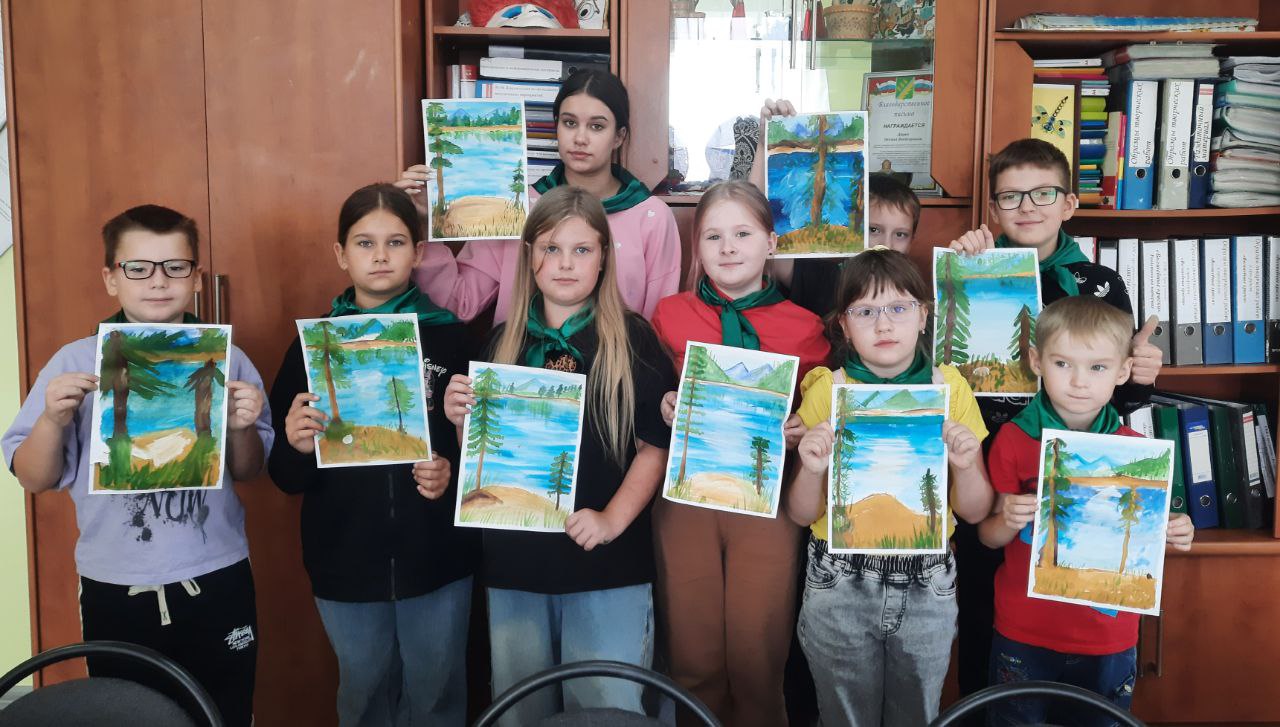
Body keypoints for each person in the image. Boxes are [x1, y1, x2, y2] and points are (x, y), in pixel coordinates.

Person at [2, 205, 272, 726]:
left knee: (225, 713)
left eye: (175, 267)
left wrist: (241, 427)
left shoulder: (229, 359)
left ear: (196, 278)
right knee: (127, 715)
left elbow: (249, 469)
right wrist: (53, 419)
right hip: (115, 584)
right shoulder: (74, 361)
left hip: (216, 575)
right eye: (138, 268)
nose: (158, 281)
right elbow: (33, 477)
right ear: (111, 278)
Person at [442, 186, 674, 726]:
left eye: (581, 250)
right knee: (522, 709)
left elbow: (655, 446)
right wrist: (459, 422)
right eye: (551, 249)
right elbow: (481, 459)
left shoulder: (632, 341)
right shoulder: (501, 343)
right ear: (529, 257)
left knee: (606, 708)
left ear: (604, 259)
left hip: (606, 567)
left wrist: (611, 519)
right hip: (516, 568)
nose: (565, 263)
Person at [946, 138, 1164, 701]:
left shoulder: (1100, 285)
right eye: (1010, 196)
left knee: (1075, 594)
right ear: (993, 207)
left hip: (1078, 464)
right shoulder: (972, 265)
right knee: (983, 602)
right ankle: (986, 706)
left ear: (1068, 203)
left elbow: (1115, 390)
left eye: (1042, 193)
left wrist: (1141, 376)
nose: (1026, 206)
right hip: (986, 461)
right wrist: (961, 269)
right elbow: (937, 365)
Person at [267, 183, 477, 726]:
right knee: (363, 697)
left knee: (437, 697)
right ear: (341, 254)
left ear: (419, 252)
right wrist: (296, 445)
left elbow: (482, 451)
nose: (380, 256)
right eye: (365, 243)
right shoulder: (312, 347)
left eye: (395, 242)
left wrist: (449, 473)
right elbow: (283, 476)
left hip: (438, 560)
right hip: (344, 562)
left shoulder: (453, 340)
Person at [788, 248, 993, 726]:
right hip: (838, 580)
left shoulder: (950, 389)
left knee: (916, 715)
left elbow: (976, 510)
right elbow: (800, 514)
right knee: (843, 716)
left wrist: (965, 466)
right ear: (844, 325)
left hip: (927, 581)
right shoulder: (828, 390)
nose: (883, 324)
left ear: (923, 316)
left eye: (899, 308)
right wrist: (812, 468)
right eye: (865, 312)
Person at [650, 180, 828, 727]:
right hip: (685, 502)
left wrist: (803, 426)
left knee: (758, 659)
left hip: (767, 504)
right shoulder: (668, 315)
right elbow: (642, 394)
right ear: (697, 247)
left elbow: (825, 408)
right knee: (692, 657)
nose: (728, 248)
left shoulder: (806, 327)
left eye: (743, 234)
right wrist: (663, 402)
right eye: (713, 237)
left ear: (771, 243)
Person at [978, 295, 1195, 726]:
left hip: (1109, 635)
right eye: (1063, 364)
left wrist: (1176, 531)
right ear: (1037, 362)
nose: (1079, 382)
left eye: (1097, 367)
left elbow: (1145, 543)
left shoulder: (1137, 452)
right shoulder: (1014, 440)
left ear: (1123, 371)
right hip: (1025, 629)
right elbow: (988, 536)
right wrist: (1007, 520)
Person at [400, 69, 681, 323]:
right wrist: (424, 220)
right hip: (521, 361)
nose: (580, 138)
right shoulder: (514, 207)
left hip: (616, 364)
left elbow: (657, 328)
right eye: (569, 123)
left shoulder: (651, 217)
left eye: (597, 126)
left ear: (619, 136)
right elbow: (460, 302)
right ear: (556, 127)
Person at [750, 99, 924, 318]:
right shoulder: (827, 279)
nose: (886, 245)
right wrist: (765, 144)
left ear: (912, 240)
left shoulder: (912, 288)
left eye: (900, 234)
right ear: (855, 224)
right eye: (873, 230)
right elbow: (756, 226)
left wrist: (967, 254)